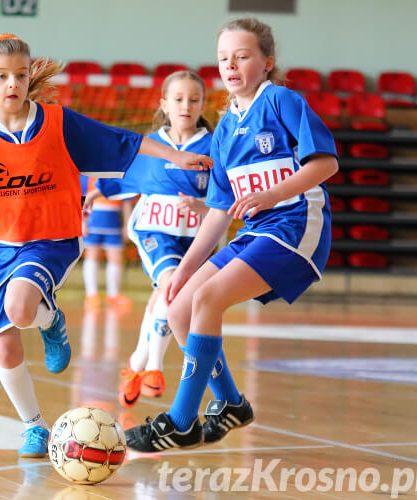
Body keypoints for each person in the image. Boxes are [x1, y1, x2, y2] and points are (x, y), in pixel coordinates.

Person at [0, 33, 212, 458]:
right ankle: (34, 425)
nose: (13, 83)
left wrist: (174, 156)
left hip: (49, 238)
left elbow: (122, 142)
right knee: (5, 344)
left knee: (20, 307)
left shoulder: (58, 122)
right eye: (1, 76)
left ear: (28, 79)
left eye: (20, 75)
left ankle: (50, 319)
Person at [125, 18, 339, 452]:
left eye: (242, 56)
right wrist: (182, 271)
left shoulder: (281, 101)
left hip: (296, 223)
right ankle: (231, 404)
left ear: (266, 63)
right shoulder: (224, 129)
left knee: (208, 300)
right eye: (224, 58)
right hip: (258, 230)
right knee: (180, 306)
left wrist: (271, 193)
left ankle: (181, 423)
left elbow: (326, 164)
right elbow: (219, 213)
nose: (231, 65)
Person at [83, 71, 212, 409]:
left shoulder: (213, 147)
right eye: (178, 99)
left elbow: (224, 194)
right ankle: (154, 368)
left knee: (166, 297)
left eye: (194, 99)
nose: (186, 106)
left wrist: (202, 204)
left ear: (203, 104)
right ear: (164, 104)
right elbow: (127, 178)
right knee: (172, 286)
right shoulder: (152, 144)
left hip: (195, 236)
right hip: (154, 230)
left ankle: (135, 365)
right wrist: (96, 193)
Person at [80, 175, 133, 312]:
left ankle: (113, 295)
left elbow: (126, 201)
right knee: (92, 255)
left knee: (116, 258)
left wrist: (127, 224)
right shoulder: (87, 175)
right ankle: (91, 295)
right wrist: (82, 222)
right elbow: (80, 199)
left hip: (113, 221)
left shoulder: (119, 174)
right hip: (93, 221)